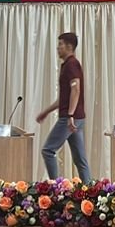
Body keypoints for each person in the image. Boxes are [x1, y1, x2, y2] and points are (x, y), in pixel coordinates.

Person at [35, 32, 91, 182]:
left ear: (69, 46)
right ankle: (90, 188)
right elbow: (64, 98)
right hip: (76, 117)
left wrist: (70, 115)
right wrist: (46, 112)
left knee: (48, 150)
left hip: (70, 118)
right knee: (80, 159)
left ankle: (57, 186)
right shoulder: (68, 65)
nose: (58, 48)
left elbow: (76, 89)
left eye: (60, 44)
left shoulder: (71, 64)